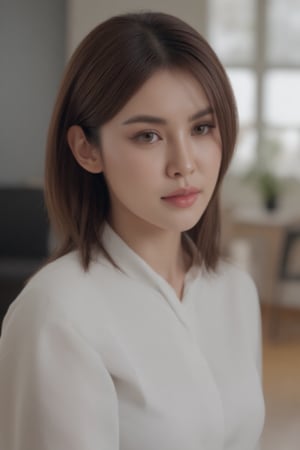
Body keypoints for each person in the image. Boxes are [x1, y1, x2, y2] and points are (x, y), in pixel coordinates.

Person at [0, 11, 265, 450]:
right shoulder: (56, 315)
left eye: (201, 128)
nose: (184, 163)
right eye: (148, 136)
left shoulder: (235, 291)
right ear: (87, 150)